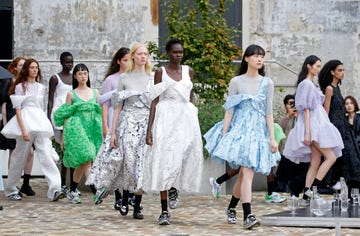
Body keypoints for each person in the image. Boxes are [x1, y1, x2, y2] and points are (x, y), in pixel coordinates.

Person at [204, 44, 280, 229]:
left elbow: (268, 113)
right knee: (246, 173)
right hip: (240, 131)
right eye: (255, 55)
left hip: (258, 132)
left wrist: (272, 138)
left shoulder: (267, 83)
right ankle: (248, 215)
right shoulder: (236, 82)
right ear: (246, 58)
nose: (259, 59)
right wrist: (224, 134)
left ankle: (232, 208)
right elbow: (229, 110)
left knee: (245, 174)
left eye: (261, 56)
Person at [87, 43, 152, 219]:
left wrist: (154, 129)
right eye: (140, 54)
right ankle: (124, 198)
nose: (143, 57)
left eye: (145, 54)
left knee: (142, 164)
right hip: (127, 122)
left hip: (146, 123)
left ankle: (138, 206)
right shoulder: (124, 78)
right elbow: (117, 107)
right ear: (133, 56)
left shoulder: (152, 77)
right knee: (128, 162)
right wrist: (113, 132)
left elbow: (155, 106)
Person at [144, 39, 204, 225]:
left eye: (181, 52)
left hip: (185, 119)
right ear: (168, 53)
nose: (178, 55)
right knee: (164, 160)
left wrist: (193, 117)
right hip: (165, 118)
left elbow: (190, 96)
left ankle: (173, 187)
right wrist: (150, 129)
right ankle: (164, 210)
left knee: (184, 155)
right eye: (175, 52)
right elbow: (154, 100)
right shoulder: (161, 72)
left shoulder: (188, 71)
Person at [283, 55, 344, 205]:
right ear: (308, 66)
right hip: (314, 126)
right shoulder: (306, 84)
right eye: (316, 66)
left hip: (317, 123)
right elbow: (305, 110)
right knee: (330, 157)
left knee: (316, 161)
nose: (318, 69)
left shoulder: (310, 84)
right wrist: (308, 132)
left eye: (319, 66)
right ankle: (312, 191)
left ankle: (306, 197)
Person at [1, 58, 64, 201]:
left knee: (46, 154)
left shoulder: (41, 87)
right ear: (27, 70)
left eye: (36, 67)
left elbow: (41, 107)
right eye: (32, 67)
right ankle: (11, 189)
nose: (35, 70)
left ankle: (55, 189)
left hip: (39, 121)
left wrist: (46, 125)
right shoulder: (20, 87)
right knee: (19, 157)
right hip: (25, 121)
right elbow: (18, 109)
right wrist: (23, 130)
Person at [54, 63, 108, 204]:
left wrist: (104, 129)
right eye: (80, 74)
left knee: (83, 162)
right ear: (75, 76)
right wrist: (65, 137)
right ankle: (96, 191)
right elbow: (66, 116)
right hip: (77, 131)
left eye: (85, 73)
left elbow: (100, 113)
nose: (83, 76)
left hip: (92, 131)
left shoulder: (95, 92)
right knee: (87, 159)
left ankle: (72, 191)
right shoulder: (71, 94)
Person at [209, 122, 286, 203]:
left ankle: (218, 181)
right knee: (245, 167)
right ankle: (218, 181)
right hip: (256, 132)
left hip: (261, 130)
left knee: (254, 166)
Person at [97, 47, 131, 210]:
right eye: (125, 59)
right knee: (116, 159)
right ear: (118, 61)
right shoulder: (111, 79)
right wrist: (106, 126)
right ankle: (118, 196)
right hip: (113, 117)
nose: (128, 62)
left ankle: (129, 194)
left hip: (130, 118)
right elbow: (103, 102)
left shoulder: (133, 77)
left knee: (129, 158)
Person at [319, 60, 360, 193]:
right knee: (342, 155)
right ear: (332, 72)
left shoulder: (337, 88)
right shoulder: (329, 89)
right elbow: (326, 110)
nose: (342, 73)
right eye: (339, 70)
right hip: (335, 126)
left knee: (350, 155)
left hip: (343, 125)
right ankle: (335, 182)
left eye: (343, 70)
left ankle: (349, 185)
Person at [0, 57, 36, 197]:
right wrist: (5, 122)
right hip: (11, 117)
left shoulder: (28, 83)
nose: (23, 67)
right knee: (13, 152)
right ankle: (12, 183)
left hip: (26, 119)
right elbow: (4, 103)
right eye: (20, 65)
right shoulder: (9, 81)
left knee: (30, 152)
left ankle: (26, 182)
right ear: (15, 67)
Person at [47, 52, 74, 193]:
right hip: (59, 115)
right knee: (63, 149)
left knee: (71, 149)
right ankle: (63, 183)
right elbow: (50, 99)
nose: (69, 65)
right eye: (67, 62)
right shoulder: (55, 78)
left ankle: (72, 184)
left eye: (71, 62)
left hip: (71, 115)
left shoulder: (74, 77)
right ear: (61, 62)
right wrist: (47, 118)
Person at [275, 94, 309, 197]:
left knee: (301, 173)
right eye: (290, 104)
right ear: (285, 105)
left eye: (295, 103)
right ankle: (282, 192)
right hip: (287, 151)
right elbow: (279, 128)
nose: (293, 106)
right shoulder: (285, 118)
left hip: (300, 150)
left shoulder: (302, 115)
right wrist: (288, 116)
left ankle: (296, 191)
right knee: (284, 175)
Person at [344, 96, 360, 192]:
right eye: (346, 104)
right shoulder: (343, 120)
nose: (349, 106)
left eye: (351, 103)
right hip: (348, 152)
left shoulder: (359, 118)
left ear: (355, 104)